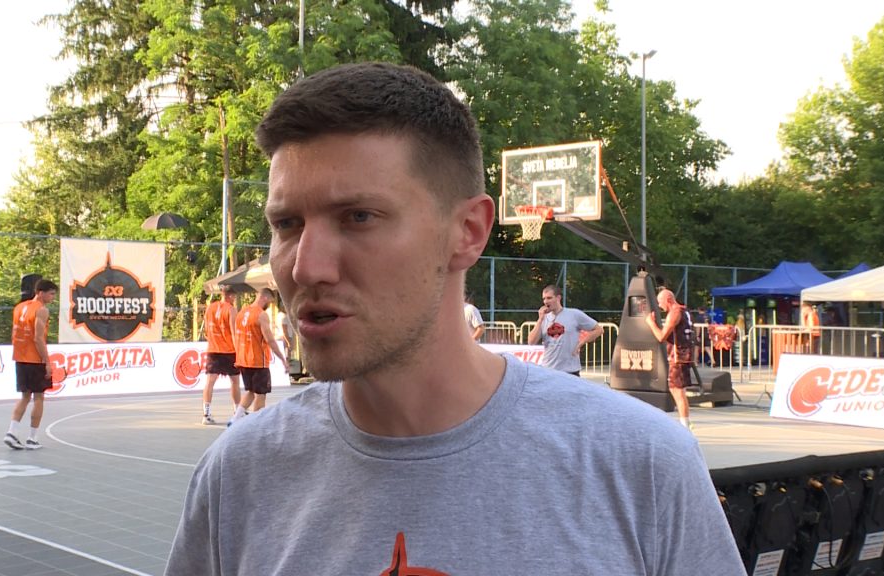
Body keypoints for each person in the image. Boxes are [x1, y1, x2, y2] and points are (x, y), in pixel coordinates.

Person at [166, 62, 744, 574]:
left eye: (358, 217)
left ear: (467, 232)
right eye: (287, 224)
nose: (306, 266)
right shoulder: (238, 477)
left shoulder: (642, 466)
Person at [4, 279, 58, 450]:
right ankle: (32, 438)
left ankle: (12, 432)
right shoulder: (41, 310)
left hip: (20, 357)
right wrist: (47, 361)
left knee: (25, 397)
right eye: (51, 294)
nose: (53, 297)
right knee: (39, 397)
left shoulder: (19, 307)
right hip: (34, 358)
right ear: (40, 293)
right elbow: (38, 338)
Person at [644, 289, 696, 430]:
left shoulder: (674, 312)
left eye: (660, 302)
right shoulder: (685, 311)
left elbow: (661, 336)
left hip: (678, 356)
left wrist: (651, 323)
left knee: (677, 391)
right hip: (684, 354)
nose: (659, 306)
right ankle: (685, 421)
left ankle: (685, 424)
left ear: (668, 300)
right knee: (677, 390)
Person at [231, 288, 286, 419]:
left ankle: (235, 418)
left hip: (243, 359)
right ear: (265, 298)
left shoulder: (242, 312)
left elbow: (237, 335)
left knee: (251, 391)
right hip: (257, 360)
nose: (269, 305)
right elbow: (270, 340)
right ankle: (256, 422)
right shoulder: (261, 315)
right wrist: (282, 359)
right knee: (261, 394)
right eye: (270, 302)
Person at [526, 284, 604, 376]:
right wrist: (540, 320)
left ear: (558, 298)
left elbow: (599, 330)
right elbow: (531, 341)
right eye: (544, 299)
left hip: (570, 370)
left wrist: (581, 343)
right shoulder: (544, 318)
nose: (546, 301)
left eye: (549, 298)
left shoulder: (574, 314)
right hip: (549, 369)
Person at [200, 285, 240, 425]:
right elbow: (234, 332)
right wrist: (238, 351)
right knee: (235, 381)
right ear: (230, 296)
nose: (234, 300)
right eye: (234, 297)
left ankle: (206, 414)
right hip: (228, 350)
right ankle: (237, 412)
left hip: (213, 349)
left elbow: (206, 329)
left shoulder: (210, 308)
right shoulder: (231, 310)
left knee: (210, 382)